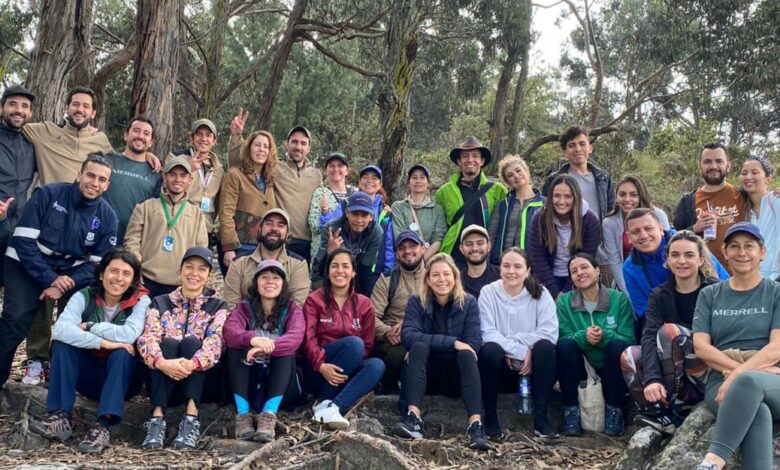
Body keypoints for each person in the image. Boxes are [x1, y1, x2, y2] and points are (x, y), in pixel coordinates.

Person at [0, 154, 118, 388]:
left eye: (101, 179)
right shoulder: (48, 194)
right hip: (25, 264)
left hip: (70, 273)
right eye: (90, 175)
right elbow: (23, 242)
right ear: (79, 174)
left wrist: (65, 282)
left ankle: (65, 374)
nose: (94, 183)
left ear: (107, 185)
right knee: (15, 320)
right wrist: (51, 279)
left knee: (83, 317)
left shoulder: (107, 217)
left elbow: (98, 264)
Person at [29, 250, 150, 453]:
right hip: (88, 377)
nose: (119, 278)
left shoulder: (142, 302)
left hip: (123, 380)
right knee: (63, 344)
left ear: (134, 280)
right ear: (102, 274)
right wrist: (105, 343)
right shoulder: (83, 295)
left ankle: (103, 426)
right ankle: (60, 416)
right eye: (114, 271)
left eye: (126, 274)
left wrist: (91, 327)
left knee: (123, 353)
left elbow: (129, 335)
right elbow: (60, 330)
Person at [693, 223, 780, 470]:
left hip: (773, 379)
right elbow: (701, 347)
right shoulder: (709, 294)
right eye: (734, 246)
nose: (742, 252)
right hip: (720, 379)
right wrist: (737, 374)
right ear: (725, 251)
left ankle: (712, 462)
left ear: (762, 251)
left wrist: (741, 376)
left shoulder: (776, 292)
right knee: (757, 411)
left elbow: (777, 348)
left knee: (748, 383)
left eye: (749, 246)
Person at [620, 231, 717, 434]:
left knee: (670, 332)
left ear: (700, 259)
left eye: (689, 255)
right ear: (667, 260)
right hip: (673, 371)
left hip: (707, 370)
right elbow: (648, 336)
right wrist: (653, 378)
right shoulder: (659, 294)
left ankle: (676, 408)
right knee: (630, 356)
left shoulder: (716, 290)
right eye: (675, 255)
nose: (681, 261)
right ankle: (659, 414)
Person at [392, 253, 491, 451]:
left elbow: (473, 344)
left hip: (456, 377)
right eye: (435, 275)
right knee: (418, 347)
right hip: (426, 377)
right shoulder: (416, 301)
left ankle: (475, 425)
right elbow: (409, 336)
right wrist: (453, 342)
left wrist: (455, 346)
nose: (442, 279)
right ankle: (413, 419)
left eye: (446, 274)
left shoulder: (469, 302)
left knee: (466, 354)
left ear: (455, 277)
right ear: (428, 279)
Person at [137, 247, 229, 451]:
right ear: (180, 271)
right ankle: (156, 420)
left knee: (191, 343)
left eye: (201, 269)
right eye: (189, 267)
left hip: (201, 382)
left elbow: (217, 341)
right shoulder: (160, 302)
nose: (194, 274)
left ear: (208, 276)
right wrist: (162, 363)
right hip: (165, 378)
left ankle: (191, 418)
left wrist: (193, 363)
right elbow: (147, 338)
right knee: (168, 343)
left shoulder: (218, 306)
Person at [478, 248, 559, 438]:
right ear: (500, 269)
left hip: (532, 371)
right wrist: (521, 350)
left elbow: (549, 332)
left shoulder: (541, 293)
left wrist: (524, 348)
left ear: (528, 270)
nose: (511, 271)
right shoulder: (489, 292)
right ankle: (490, 419)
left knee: (545, 348)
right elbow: (486, 332)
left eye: (517, 266)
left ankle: (541, 419)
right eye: (506, 266)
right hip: (501, 369)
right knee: (490, 350)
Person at [301, 248, 385, 429]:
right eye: (335, 266)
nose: (340, 271)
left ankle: (332, 406)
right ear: (328, 271)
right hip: (318, 369)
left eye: (346, 266)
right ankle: (324, 399)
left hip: (345, 371)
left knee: (376, 365)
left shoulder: (364, 304)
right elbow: (308, 338)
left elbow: (368, 345)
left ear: (353, 272)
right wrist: (321, 365)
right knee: (354, 343)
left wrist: (351, 365)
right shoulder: (314, 300)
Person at [223, 259, 304, 443]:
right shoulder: (244, 308)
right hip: (247, 381)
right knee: (236, 348)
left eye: (276, 277)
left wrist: (266, 347)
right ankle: (243, 416)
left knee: (286, 353)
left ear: (283, 284)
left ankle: (269, 415)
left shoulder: (292, 310)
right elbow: (230, 332)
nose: (270, 282)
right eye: (264, 277)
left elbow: (296, 337)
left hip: (281, 385)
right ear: (256, 282)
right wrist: (252, 339)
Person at [556, 253, 635, 437]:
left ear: (597, 271)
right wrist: (584, 336)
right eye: (574, 271)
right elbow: (562, 336)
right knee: (565, 347)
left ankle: (614, 411)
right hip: (581, 365)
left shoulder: (618, 299)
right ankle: (571, 411)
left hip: (610, 364)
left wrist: (604, 335)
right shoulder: (565, 302)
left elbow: (629, 339)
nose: (580, 273)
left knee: (617, 346)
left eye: (584, 267)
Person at [231, 112, 323, 263]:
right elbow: (241, 166)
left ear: (309, 148)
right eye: (294, 142)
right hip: (280, 240)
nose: (298, 147)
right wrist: (236, 137)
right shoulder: (274, 167)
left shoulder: (316, 175)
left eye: (303, 143)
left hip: (307, 242)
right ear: (286, 144)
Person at [622, 208, 729, 338]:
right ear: (628, 237)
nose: (644, 235)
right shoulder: (630, 268)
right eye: (636, 232)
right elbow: (644, 312)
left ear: (661, 229)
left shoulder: (686, 243)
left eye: (648, 228)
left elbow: (724, 283)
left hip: (707, 320)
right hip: (666, 326)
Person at [124, 156, 209, 298]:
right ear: (164, 177)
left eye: (183, 175)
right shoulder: (145, 207)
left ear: (190, 180)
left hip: (180, 286)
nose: (177, 179)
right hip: (146, 282)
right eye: (173, 174)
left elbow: (200, 250)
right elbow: (131, 241)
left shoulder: (197, 214)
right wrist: (136, 268)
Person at [673, 143, 748, 269]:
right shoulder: (687, 202)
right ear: (700, 166)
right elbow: (673, 238)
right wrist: (694, 229)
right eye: (707, 162)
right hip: (704, 276)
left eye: (718, 161)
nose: (713, 166)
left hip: (740, 273)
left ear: (728, 165)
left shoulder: (744, 195)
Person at [436, 136, 507, 266]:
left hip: (486, 258)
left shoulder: (498, 190)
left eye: (475, 156)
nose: (470, 160)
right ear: (459, 161)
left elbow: (503, 227)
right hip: (454, 259)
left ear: (482, 160)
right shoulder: (443, 192)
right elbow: (439, 227)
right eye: (465, 156)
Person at [527, 174, 601, 298]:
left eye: (568, 196)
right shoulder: (539, 219)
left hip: (578, 277)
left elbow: (587, 258)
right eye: (557, 196)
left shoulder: (590, 220)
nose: (561, 201)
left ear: (576, 197)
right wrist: (555, 293)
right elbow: (538, 260)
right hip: (546, 279)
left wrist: (567, 292)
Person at [223, 208, 311, 309]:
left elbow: (297, 308)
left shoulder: (298, 265)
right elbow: (231, 305)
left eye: (281, 225)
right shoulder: (238, 263)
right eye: (269, 223)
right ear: (259, 229)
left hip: (285, 323)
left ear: (287, 234)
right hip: (243, 322)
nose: (274, 228)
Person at [372, 230, 426, 391]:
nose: (407, 251)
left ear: (423, 249)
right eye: (402, 248)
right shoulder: (387, 279)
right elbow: (371, 316)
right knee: (396, 356)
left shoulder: (436, 276)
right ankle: (387, 390)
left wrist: (410, 325)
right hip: (395, 338)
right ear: (396, 254)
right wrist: (387, 332)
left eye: (412, 246)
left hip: (425, 333)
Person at [219, 130, 277, 270]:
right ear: (249, 148)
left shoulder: (269, 179)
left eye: (265, 146)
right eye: (257, 145)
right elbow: (226, 212)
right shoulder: (235, 174)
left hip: (262, 248)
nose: (261, 149)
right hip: (239, 246)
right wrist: (229, 247)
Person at [601, 175, 670, 293]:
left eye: (633, 195)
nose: (627, 199)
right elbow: (615, 262)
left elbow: (669, 248)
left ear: (641, 195)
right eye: (622, 194)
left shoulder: (658, 215)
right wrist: (628, 292)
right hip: (629, 279)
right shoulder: (609, 223)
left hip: (664, 278)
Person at [101, 116, 162, 243]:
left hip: (133, 242)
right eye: (136, 130)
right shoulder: (107, 161)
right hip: (99, 237)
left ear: (151, 142)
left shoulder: (156, 173)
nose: (140, 136)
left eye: (146, 134)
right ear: (125, 135)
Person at [312, 192, 385, 295]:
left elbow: (365, 270)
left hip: (357, 275)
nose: (359, 220)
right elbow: (319, 270)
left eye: (364, 215)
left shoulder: (376, 232)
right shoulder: (332, 228)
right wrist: (330, 253)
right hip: (327, 274)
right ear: (347, 213)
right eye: (355, 214)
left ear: (371, 217)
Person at [0, 85, 35, 288]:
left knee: (12, 295)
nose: (19, 110)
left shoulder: (31, 144)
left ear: (30, 112)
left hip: (17, 231)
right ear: (2, 107)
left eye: (25, 106)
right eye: (13, 104)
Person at [542, 126, 614, 221]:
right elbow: (546, 212)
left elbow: (610, 211)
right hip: (565, 234)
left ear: (590, 148)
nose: (578, 149)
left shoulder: (603, 179)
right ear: (565, 152)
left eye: (582, 144)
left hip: (597, 234)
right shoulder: (554, 180)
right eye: (572, 145)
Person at [172, 118, 225, 248]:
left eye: (208, 135)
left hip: (205, 228)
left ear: (214, 141)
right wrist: (187, 168)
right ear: (191, 138)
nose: (203, 139)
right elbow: (165, 188)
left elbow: (218, 201)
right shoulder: (177, 159)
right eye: (199, 134)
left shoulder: (219, 169)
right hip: (180, 224)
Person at [488, 155, 545, 264]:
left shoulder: (544, 204)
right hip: (503, 265)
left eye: (518, 170)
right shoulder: (502, 205)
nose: (516, 176)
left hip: (533, 266)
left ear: (527, 171)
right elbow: (491, 236)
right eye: (510, 175)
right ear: (507, 182)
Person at [391, 164, 447, 261]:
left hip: (428, 262)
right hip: (405, 259)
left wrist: (421, 261)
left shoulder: (437, 210)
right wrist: (411, 259)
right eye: (414, 177)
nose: (418, 181)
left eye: (422, 177)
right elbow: (399, 235)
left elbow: (438, 239)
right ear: (408, 183)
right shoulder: (398, 207)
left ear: (428, 183)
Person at [308, 152, 357, 261]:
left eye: (340, 166)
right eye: (331, 166)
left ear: (347, 171)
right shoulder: (320, 193)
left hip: (350, 254)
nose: (336, 169)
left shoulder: (355, 193)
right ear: (326, 171)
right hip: (323, 254)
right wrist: (324, 213)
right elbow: (314, 227)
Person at [738, 156, 780, 279]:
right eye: (744, 173)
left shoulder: (776, 201)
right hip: (754, 280)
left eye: (755, 172)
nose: (748, 177)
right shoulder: (745, 211)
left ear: (768, 178)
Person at [357, 165, 395, 274]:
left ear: (380, 184)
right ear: (359, 182)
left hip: (375, 272)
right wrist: (325, 213)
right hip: (350, 269)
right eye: (365, 177)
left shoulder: (385, 213)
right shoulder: (348, 205)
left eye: (374, 178)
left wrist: (389, 273)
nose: (369, 181)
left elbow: (389, 246)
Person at [459, 225, 500, 299]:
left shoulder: (501, 276)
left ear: (488, 246)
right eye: (469, 244)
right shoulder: (457, 281)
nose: (475, 248)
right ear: (461, 249)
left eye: (480, 243)